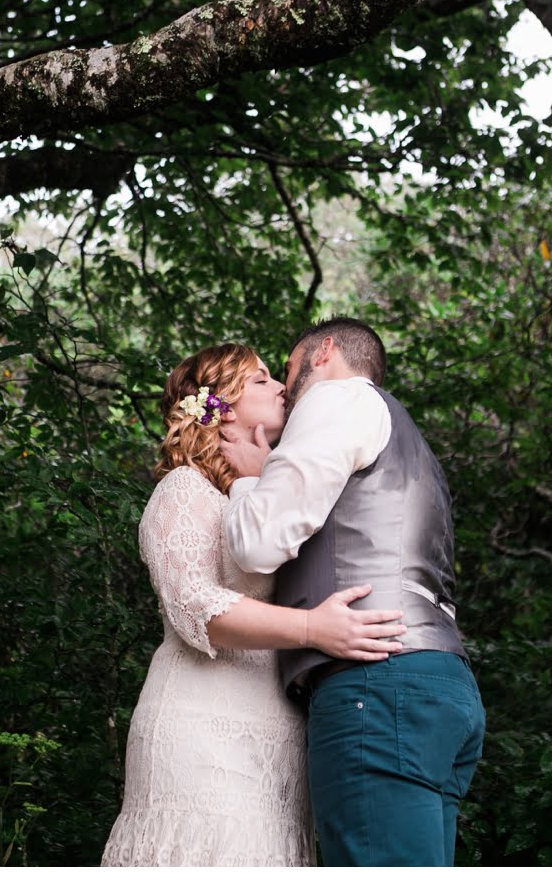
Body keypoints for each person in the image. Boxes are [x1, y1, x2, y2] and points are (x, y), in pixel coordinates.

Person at [101, 343, 408, 867]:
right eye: (262, 379)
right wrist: (313, 628)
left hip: (281, 735)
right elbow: (197, 606)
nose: (282, 387)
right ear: (219, 402)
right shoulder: (183, 489)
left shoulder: (271, 496)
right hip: (199, 727)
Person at [221, 318, 486, 867]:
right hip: (441, 685)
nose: (286, 390)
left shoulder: (335, 398)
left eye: (288, 370)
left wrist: (250, 478)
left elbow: (257, 543)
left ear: (325, 355)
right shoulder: (412, 445)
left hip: (376, 683)